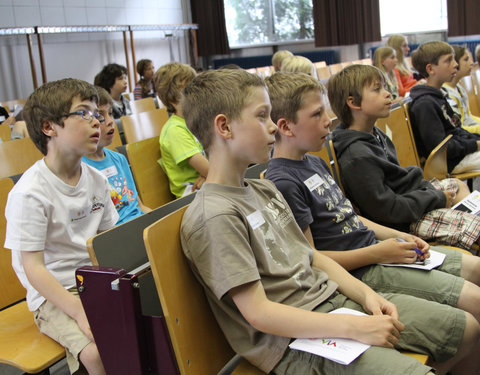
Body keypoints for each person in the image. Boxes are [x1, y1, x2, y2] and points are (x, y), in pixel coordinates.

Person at [180, 68, 480, 375]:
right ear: (224, 127)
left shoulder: (263, 189)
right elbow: (259, 314)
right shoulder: (214, 215)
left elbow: (312, 257)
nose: (273, 127)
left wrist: (367, 296)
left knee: (467, 328)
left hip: (332, 301)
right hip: (293, 343)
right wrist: (353, 326)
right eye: (262, 116)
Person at [265, 71, 480, 324]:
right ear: (286, 126)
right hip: (361, 270)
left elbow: (351, 217)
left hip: (376, 251)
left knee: (476, 270)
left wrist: (397, 238)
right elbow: (313, 258)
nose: (328, 121)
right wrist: (380, 252)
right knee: (472, 309)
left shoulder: (313, 161)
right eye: (317, 114)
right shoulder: (283, 182)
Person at [4, 78, 119, 375]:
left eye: (97, 113)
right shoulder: (30, 192)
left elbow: (107, 241)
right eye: (83, 113)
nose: (97, 120)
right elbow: (34, 268)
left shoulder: (97, 180)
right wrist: (79, 311)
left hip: (94, 281)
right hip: (53, 293)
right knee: (97, 352)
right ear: (48, 127)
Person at [329, 64, 480, 251]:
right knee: (476, 226)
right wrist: (437, 198)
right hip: (403, 224)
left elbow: (400, 181)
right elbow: (388, 210)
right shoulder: (356, 156)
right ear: (354, 103)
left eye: (384, 87)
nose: (387, 93)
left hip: (410, 202)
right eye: (377, 89)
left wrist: (432, 194)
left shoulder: (374, 133)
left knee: (457, 185)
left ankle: (462, 232)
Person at [409, 41, 480, 177]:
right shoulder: (425, 104)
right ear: (430, 69)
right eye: (448, 60)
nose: (455, 64)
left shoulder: (438, 95)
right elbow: (441, 149)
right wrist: (475, 145)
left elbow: (456, 130)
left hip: (462, 153)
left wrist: (475, 140)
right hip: (453, 161)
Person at [82, 86, 149, 225]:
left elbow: (139, 206)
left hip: (138, 222)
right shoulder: (81, 169)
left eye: (111, 113)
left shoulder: (119, 158)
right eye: (100, 116)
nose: (110, 121)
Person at [154, 62, 208, 198]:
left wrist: (209, 176)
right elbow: (213, 170)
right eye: (189, 90)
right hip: (191, 197)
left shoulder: (198, 120)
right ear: (173, 99)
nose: (198, 93)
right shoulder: (175, 130)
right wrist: (210, 174)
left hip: (208, 186)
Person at [443, 45, 480, 134]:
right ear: (454, 62)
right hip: (466, 137)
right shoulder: (448, 94)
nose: (471, 63)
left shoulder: (459, 88)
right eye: (466, 59)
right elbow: (460, 127)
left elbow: (469, 117)